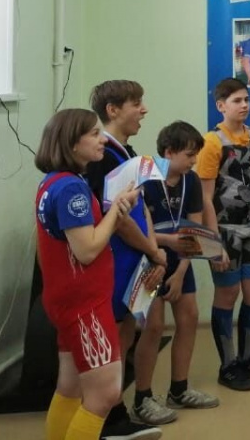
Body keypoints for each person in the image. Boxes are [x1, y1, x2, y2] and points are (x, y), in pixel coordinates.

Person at [35, 109, 145, 440]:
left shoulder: (53, 181)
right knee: (105, 394)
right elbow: (87, 249)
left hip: (67, 299)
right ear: (72, 142)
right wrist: (118, 209)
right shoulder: (71, 188)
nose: (102, 140)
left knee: (70, 387)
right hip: (83, 304)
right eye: (94, 134)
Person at [84, 81, 166, 439]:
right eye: (136, 103)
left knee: (128, 332)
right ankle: (109, 416)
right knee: (115, 338)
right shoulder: (102, 155)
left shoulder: (127, 152)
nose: (144, 110)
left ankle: (115, 410)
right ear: (113, 110)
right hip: (116, 261)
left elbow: (141, 207)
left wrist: (153, 251)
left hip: (137, 258)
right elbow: (116, 218)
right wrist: (152, 250)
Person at [198, 78, 250, 392]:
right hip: (224, 234)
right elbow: (205, 198)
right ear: (221, 106)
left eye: (246, 99)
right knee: (227, 293)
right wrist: (212, 244)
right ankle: (228, 365)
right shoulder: (211, 143)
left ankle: (247, 357)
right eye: (237, 100)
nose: (244, 105)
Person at [132, 122, 220, 421]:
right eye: (189, 155)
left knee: (189, 316)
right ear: (168, 152)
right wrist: (165, 245)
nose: (194, 161)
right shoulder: (144, 179)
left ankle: (179, 389)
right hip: (148, 258)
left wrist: (181, 270)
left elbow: (193, 228)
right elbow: (137, 230)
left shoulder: (190, 180)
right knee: (154, 326)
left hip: (180, 258)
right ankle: (142, 398)